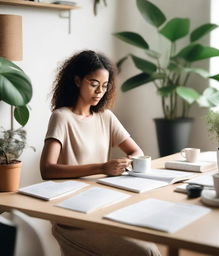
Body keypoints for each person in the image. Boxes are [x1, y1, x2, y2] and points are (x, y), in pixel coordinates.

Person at [40, 50, 161, 256]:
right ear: (77, 81)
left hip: (103, 205)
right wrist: (102, 168)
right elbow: (47, 170)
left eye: (105, 86)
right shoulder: (62, 117)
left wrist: (126, 162)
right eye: (93, 83)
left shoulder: (106, 117)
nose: (99, 91)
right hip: (72, 215)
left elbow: (136, 151)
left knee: (154, 241)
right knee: (148, 251)